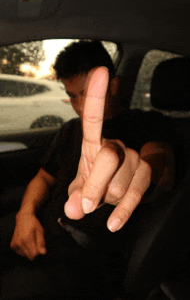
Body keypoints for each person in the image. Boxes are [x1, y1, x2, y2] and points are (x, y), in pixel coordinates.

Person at [1, 41, 176, 299]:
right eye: (72, 95)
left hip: (85, 256)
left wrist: (139, 176)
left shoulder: (147, 124)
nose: (80, 105)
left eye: (85, 93)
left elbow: (160, 167)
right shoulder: (70, 129)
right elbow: (43, 178)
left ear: (113, 86)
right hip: (42, 226)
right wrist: (25, 215)